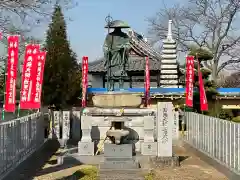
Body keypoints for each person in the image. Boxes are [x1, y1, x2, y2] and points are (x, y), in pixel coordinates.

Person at [103, 20, 131, 90]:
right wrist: (107, 50)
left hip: (121, 56)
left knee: (121, 71)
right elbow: (105, 46)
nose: (117, 29)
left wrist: (124, 47)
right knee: (111, 71)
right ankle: (111, 86)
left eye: (119, 28)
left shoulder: (125, 36)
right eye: (116, 28)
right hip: (112, 56)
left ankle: (121, 87)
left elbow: (128, 45)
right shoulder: (109, 36)